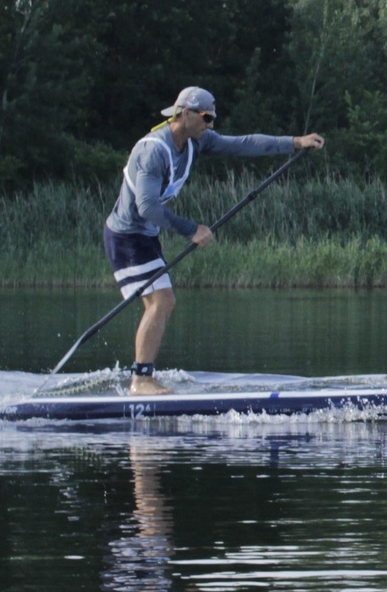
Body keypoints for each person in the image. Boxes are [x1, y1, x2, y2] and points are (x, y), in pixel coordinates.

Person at [105, 86, 323, 394]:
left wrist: (295, 142)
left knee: (160, 303)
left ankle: (143, 375)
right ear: (185, 113)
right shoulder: (153, 150)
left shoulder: (197, 141)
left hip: (146, 235)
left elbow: (243, 145)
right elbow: (147, 206)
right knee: (163, 301)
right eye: (206, 117)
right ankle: (140, 380)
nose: (210, 124)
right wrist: (191, 229)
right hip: (126, 235)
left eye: (212, 118)